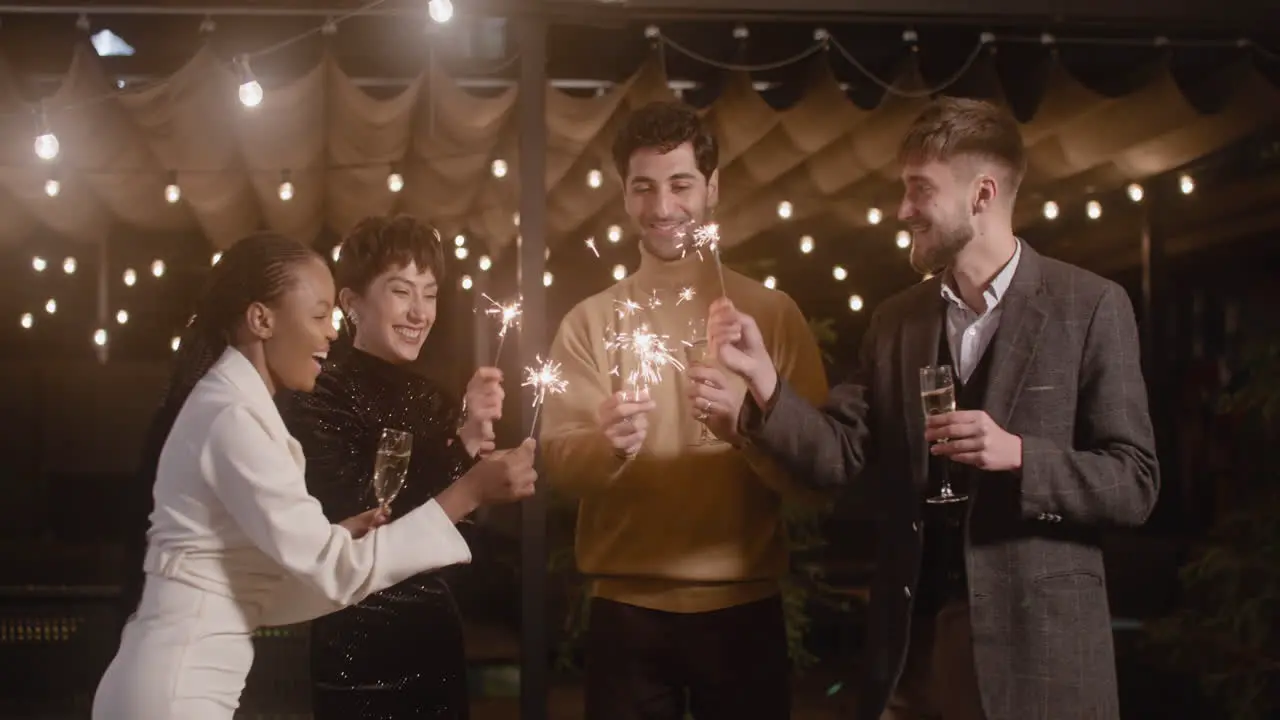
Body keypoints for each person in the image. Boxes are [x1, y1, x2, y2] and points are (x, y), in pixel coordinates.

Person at [708, 96, 1160, 720]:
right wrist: (763, 380)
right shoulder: (896, 321)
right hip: (914, 654)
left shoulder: (1090, 306)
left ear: (982, 194)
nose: (903, 210)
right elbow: (839, 455)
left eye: (920, 190)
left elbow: (1134, 483)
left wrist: (1020, 455)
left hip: (1039, 655)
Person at [93, 232, 537, 720]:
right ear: (262, 319)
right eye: (320, 315)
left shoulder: (236, 404)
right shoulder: (233, 416)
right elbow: (332, 571)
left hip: (183, 681)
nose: (331, 331)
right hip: (176, 688)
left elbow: (275, 589)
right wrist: (468, 491)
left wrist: (337, 538)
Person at [539, 100, 829, 720]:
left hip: (745, 612)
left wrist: (748, 430)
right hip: (626, 615)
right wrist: (606, 446)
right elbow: (558, 463)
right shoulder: (589, 322)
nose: (662, 208)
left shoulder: (770, 315)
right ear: (624, 196)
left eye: (680, 184)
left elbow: (818, 473)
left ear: (712, 187)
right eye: (643, 187)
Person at [280, 214, 503, 719]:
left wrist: (475, 445)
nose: (420, 311)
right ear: (351, 303)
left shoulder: (435, 399)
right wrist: (461, 454)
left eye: (430, 293)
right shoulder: (320, 392)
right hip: (356, 643)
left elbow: (459, 528)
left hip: (435, 640)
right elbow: (359, 514)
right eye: (402, 291)